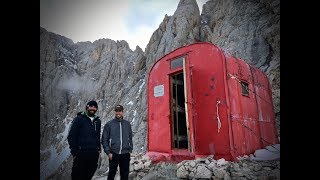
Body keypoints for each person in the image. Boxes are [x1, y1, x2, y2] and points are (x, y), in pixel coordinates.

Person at [67, 100, 101, 180]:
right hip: (81, 155)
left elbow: (97, 136)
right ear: (87, 107)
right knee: (77, 177)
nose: (93, 108)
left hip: (93, 155)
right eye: (91, 106)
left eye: (95, 107)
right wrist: (74, 153)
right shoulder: (79, 119)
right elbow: (71, 136)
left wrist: (99, 149)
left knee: (88, 177)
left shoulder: (97, 121)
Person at [101, 105, 133, 180]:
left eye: (120, 111)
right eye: (116, 111)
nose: (118, 112)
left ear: (122, 112)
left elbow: (130, 137)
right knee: (111, 174)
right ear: (115, 112)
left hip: (125, 154)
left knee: (125, 175)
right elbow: (104, 139)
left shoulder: (127, 124)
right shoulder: (109, 124)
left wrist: (130, 150)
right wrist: (108, 152)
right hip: (113, 154)